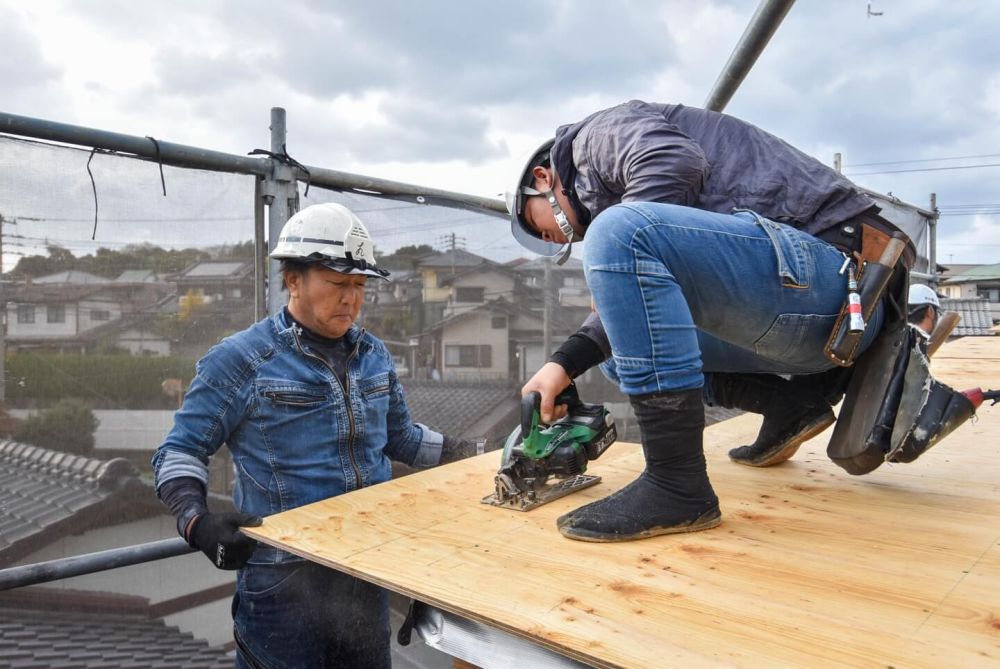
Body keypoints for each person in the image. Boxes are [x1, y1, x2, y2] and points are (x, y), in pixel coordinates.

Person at [507, 100, 914, 542]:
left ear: (543, 180)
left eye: (545, 230)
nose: (560, 238)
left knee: (619, 232)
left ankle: (675, 483)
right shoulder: (617, 197)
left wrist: (619, 243)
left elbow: (673, 162)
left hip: (847, 277)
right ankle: (790, 405)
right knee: (618, 356)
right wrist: (562, 365)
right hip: (820, 317)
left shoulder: (596, 138)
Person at [152, 203, 475, 668]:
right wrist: (196, 522)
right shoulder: (243, 360)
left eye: (360, 286)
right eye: (339, 284)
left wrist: (474, 454)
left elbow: (399, 437)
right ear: (294, 279)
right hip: (284, 584)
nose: (351, 299)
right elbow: (179, 449)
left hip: (366, 573)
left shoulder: (373, 354)